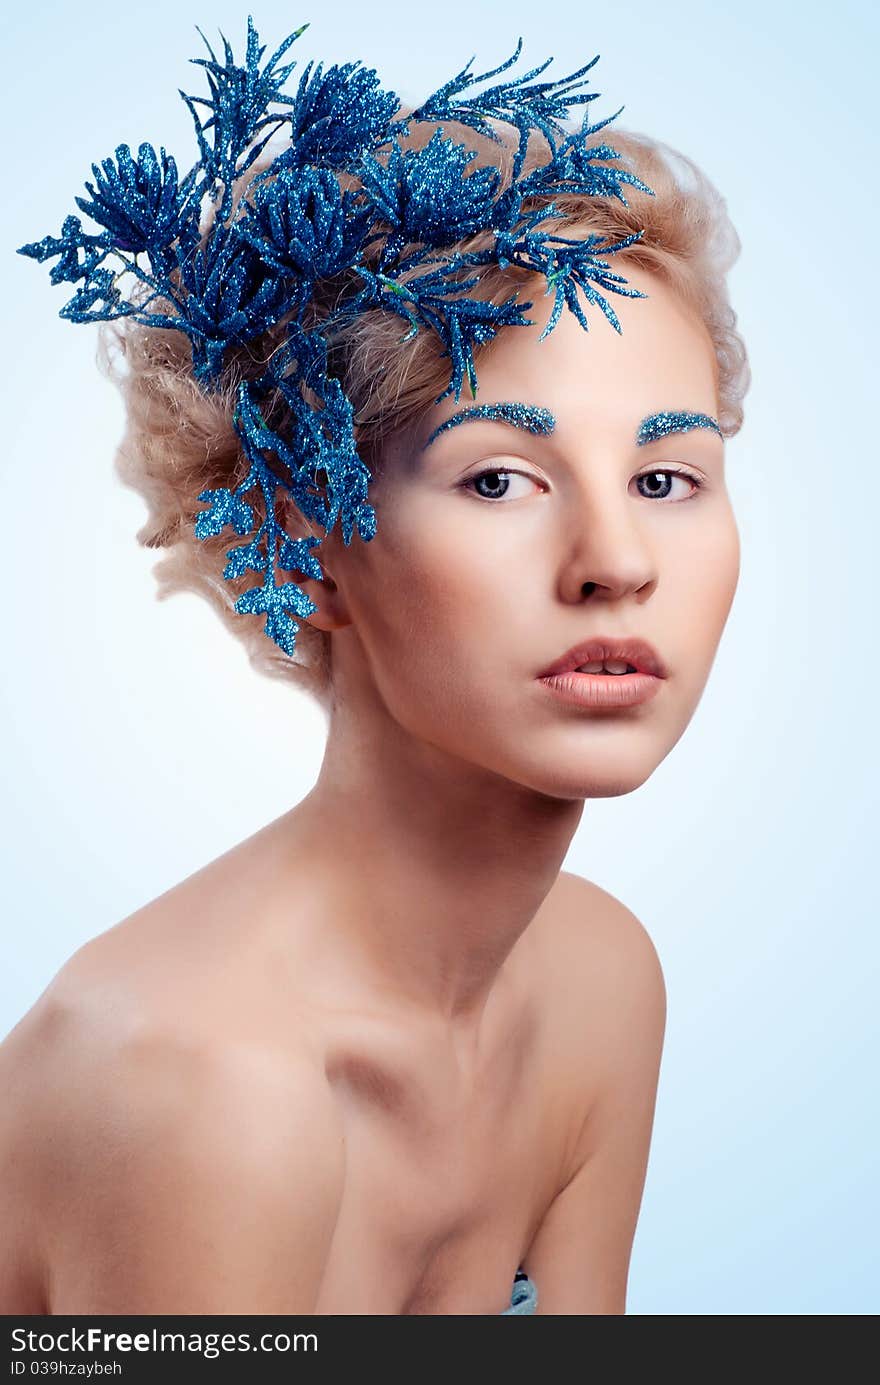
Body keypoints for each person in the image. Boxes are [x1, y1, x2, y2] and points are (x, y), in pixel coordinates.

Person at [0, 19, 749, 1315]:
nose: (617, 561)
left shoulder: (593, 986)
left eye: (666, 475)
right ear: (308, 530)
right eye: (500, 477)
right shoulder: (206, 1095)